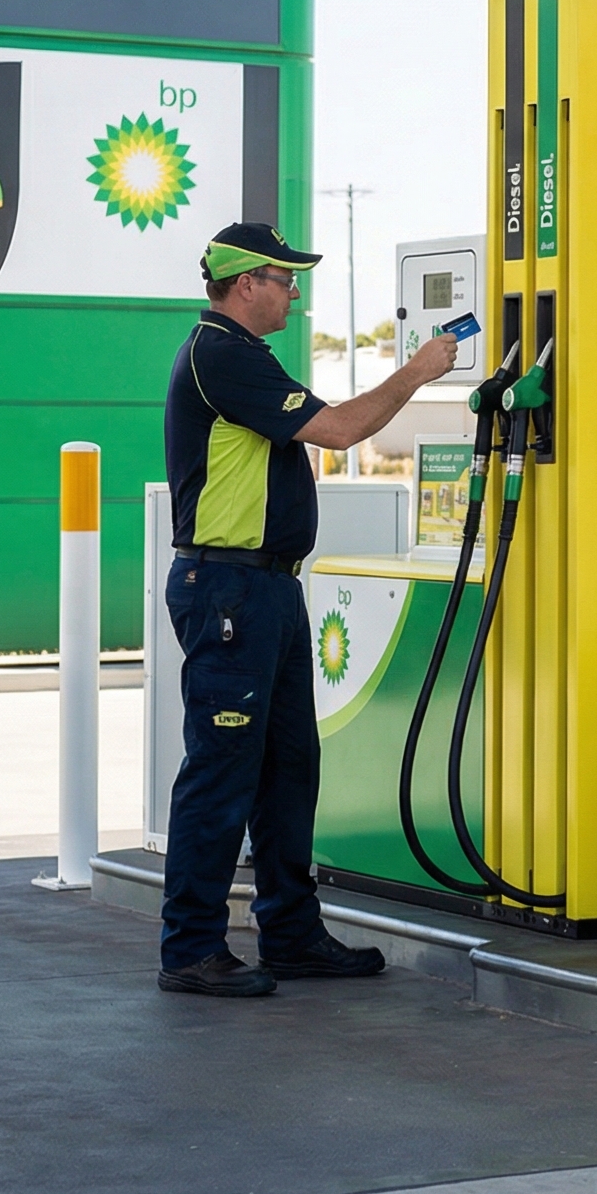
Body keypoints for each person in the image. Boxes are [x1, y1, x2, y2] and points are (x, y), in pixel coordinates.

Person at [156, 222, 458, 997]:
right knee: (221, 772)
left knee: (289, 769)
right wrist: (416, 373)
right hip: (231, 592)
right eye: (285, 280)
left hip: (270, 590)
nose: (295, 293)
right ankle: (191, 950)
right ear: (246, 282)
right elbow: (339, 428)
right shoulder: (219, 355)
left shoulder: (244, 357)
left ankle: (290, 933)